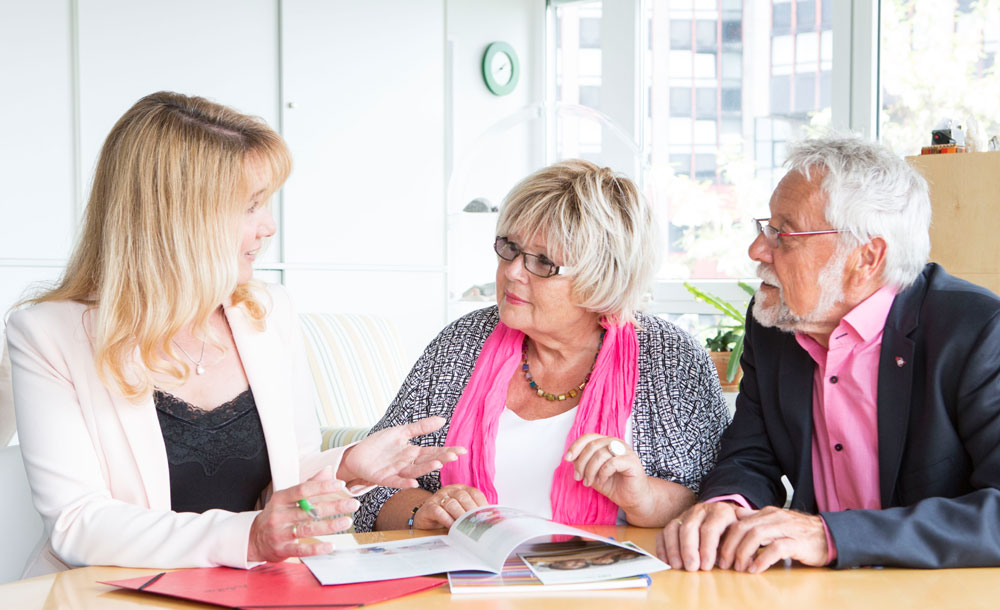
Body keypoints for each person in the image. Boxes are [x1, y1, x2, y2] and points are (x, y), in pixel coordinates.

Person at [7, 91, 461, 577]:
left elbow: (281, 482)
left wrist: (347, 464)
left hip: (251, 596)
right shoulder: (47, 335)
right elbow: (79, 523)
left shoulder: (269, 313)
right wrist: (248, 536)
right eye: (251, 207)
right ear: (178, 218)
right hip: (110, 602)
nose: (268, 227)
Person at [657, 134, 1000, 573]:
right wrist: (728, 505)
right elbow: (750, 453)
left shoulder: (977, 331)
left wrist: (834, 536)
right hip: (818, 595)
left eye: (783, 234)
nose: (757, 250)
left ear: (867, 257)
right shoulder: (776, 324)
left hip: (940, 598)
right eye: (765, 228)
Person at [355, 159, 729, 532]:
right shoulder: (462, 342)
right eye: (510, 247)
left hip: (610, 570)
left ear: (602, 276)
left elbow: (716, 502)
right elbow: (370, 486)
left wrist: (642, 497)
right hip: (466, 568)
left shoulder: (670, 356)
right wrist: (423, 510)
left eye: (544, 262)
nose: (513, 271)